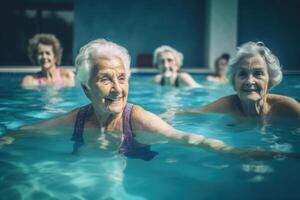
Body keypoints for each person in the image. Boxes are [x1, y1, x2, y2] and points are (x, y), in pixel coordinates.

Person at [1, 39, 297, 160]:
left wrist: (239, 152)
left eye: (122, 78)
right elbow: (28, 132)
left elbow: (192, 140)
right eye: (105, 79)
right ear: (86, 89)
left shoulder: (136, 119)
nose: (117, 88)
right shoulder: (77, 119)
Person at [164, 42, 300, 118]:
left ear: (270, 81)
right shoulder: (227, 105)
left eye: (258, 73)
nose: (249, 81)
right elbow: (187, 114)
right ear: (234, 83)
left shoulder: (287, 108)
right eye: (242, 74)